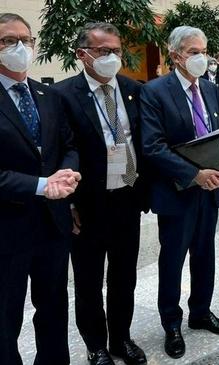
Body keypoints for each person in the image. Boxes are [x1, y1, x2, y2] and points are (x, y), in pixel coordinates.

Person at [53, 22, 148, 365]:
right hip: (88, 205)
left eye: (117, 51)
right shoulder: (63, 96)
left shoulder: (133, 89)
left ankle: (121, 338)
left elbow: (143, 141)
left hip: (127, 196)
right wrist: (69, 202)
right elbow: (61, 150)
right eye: (104, 51)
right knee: (89, 280)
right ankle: (96, 345)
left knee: (125, 275)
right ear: (82, 55)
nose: (112, 57)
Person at [140, 26, 219, 359]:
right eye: (194, 52)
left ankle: (200, 311)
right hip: (176, 191)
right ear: (176, 54)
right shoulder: (155, 92)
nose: (201, 57)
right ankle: (171, 323)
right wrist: (194, 174)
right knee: (173, 259)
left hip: (209, 190)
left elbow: (214, 134)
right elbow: (152, 146)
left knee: (205, 254)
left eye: (204, 51)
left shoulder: (209, 88)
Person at [0, 12, 81, 365]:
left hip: (52, 224)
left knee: (53, 308)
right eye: (7, 41)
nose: (20, 47)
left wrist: (68, 174)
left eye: (26, 40)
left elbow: (69, 145)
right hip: (6, 228)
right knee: (5, 317)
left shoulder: (47, 95)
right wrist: (40, 185)